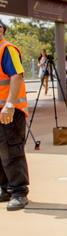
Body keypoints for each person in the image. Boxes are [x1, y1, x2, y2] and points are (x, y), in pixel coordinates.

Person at [0, 19, 30, 211]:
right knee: (0, 152)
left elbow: (16, 76)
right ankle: (5, 188)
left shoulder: (7, 49)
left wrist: (10, 104)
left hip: (10, 110)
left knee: (12, 150)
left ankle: (19, 191)